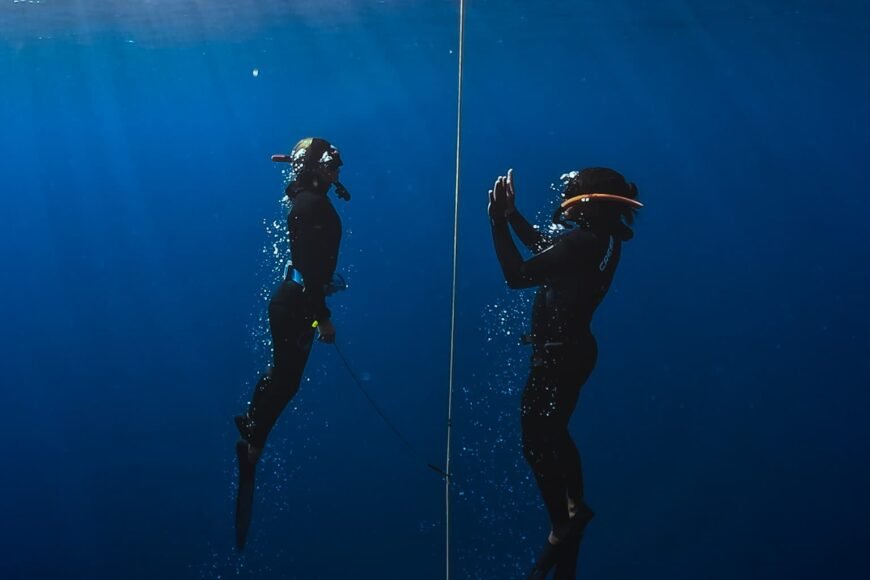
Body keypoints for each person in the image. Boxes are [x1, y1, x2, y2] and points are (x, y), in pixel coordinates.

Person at [488, 167, 642, 578]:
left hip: (556, 358)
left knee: (534, 440)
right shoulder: (602, 240)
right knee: (556, 431)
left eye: (571, 193)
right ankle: (576, 502)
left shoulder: (582, 242)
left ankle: (561, 523)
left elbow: (517, 276)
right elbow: (547, 249)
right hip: (575, 352)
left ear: (587, 203)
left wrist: (496, 223)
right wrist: (513, 216)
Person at [233, 137, 351, 551]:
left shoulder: (308, 201)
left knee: (286, 380)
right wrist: (323, 317)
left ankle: (252, 434)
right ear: (315, 168)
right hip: (296, 304)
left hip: (297, 304)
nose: (339, 168)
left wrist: (318, 307)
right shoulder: (309, 205)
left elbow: (313, 265)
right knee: (285, 379)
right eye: (332, 162)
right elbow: (305, 263)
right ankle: (251, 437)